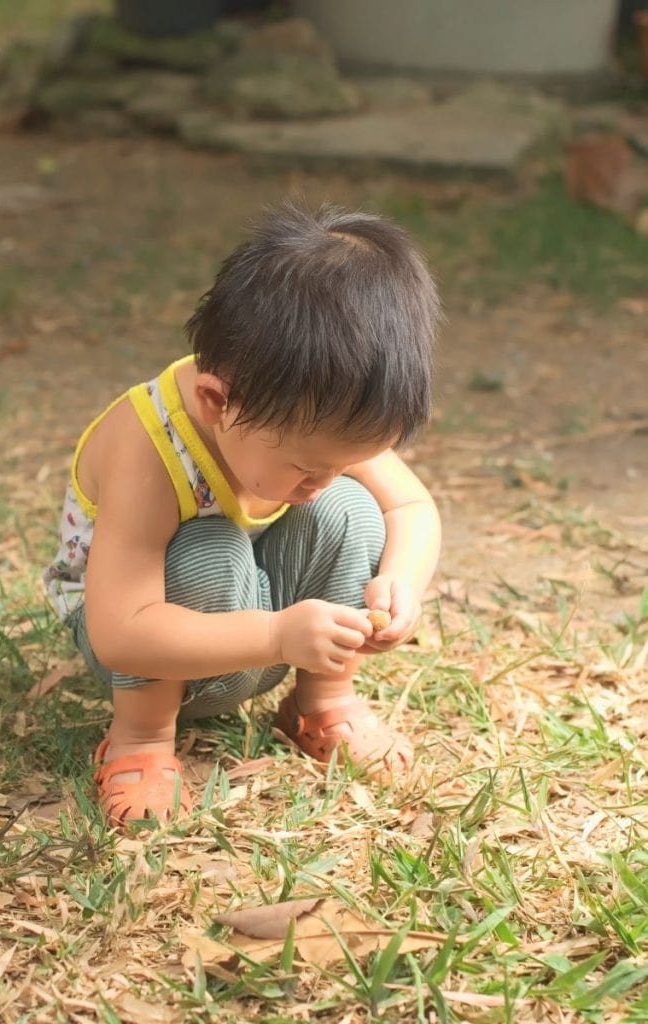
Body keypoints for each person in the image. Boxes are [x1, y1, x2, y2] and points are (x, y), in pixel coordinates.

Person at [43, 201, 442, 827]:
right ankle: (141, 739)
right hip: (143, 633)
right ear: (216, 403)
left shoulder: (315, 409)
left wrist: (401, 583)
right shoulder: (149, 448)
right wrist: (279, 636)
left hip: (246, 608)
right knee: (206, 548)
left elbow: (411, 505)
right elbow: (119, 628)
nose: (321, 480)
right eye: (308, 465)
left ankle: (323, 702)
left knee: (353, 513)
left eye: (345, 459)